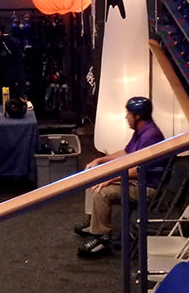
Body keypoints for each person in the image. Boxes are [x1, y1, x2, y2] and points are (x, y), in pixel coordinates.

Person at [76, 96, 165, 257]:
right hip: (136, 181)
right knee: (94, 175)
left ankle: (102, 238)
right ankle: (93, 222)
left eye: (129, 114)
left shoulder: (150, 137)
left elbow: (137, 171)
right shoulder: (141, 131)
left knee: (102, 192)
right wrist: (100, 160)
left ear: (138, 116)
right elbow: (126, 153)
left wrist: (110, 179)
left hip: (146, 187)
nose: (126, 117)